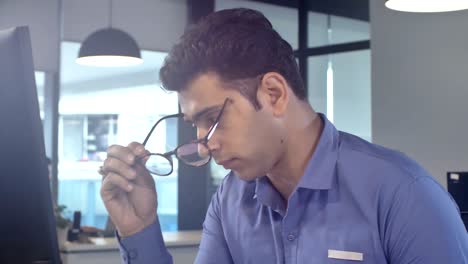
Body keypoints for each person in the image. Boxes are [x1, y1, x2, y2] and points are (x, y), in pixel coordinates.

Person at [99, 8, 468, 264]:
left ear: (273, 93)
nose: (205, 144)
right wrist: (140, 229)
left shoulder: (403, 194)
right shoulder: (231, 202)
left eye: (213, 119)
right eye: (194, 126)